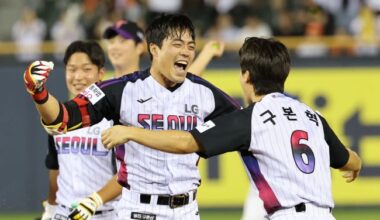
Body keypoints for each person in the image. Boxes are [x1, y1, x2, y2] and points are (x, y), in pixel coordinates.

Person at [100, 37, 362, 220]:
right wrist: (356, 165)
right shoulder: (312, 116)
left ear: (246, 76)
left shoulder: (250, 119)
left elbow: (184, 143)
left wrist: (131, 132)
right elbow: (347, 159)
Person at [23, 14, 239, 220]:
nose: (186, 51)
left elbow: (246, 125)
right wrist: (38, 92)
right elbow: (63, 118)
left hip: (187, 210)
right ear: (154, 49)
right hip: (137, 209)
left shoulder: (206, 92)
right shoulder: (120, 89)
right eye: (177, 44)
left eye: (190, 46)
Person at [36, 41, 122, 220]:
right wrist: (51, 209)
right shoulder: (59, 117)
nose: (78, 76)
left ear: (101, 73)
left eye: (86, 69)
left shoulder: (115, 117)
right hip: (64, 213)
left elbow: (128, 173)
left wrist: (95, 200)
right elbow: (55, 168)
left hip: (105, 213)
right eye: (72, 69)